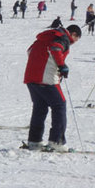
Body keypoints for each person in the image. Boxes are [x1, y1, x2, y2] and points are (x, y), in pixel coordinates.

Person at [23, 24, 82, 152]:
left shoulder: (45, 37)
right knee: (59, 105)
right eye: (76, 39)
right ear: (73, 34)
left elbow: (30, 51)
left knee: (40, 107)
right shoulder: (63, 37)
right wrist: (61, 66)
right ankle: (57, 141)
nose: (74, 42)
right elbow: (55, 48)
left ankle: (35, 141)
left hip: (31, 77)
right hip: (46, 78)